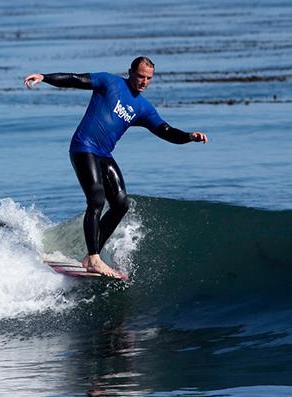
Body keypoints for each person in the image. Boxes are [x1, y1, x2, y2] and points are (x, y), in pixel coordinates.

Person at [24, 56, 208, 279]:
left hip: (103, 154)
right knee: (96, 200)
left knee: (121, 204)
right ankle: (93, 258)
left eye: (148, 78)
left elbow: (166, 131)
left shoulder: (143, 108)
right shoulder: (109, 82)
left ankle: (92, 255)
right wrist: (44, 77)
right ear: (130, 72)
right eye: (140, 76)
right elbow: (75, 79)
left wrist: (189, 136)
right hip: (83, 148)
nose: (144, 82)